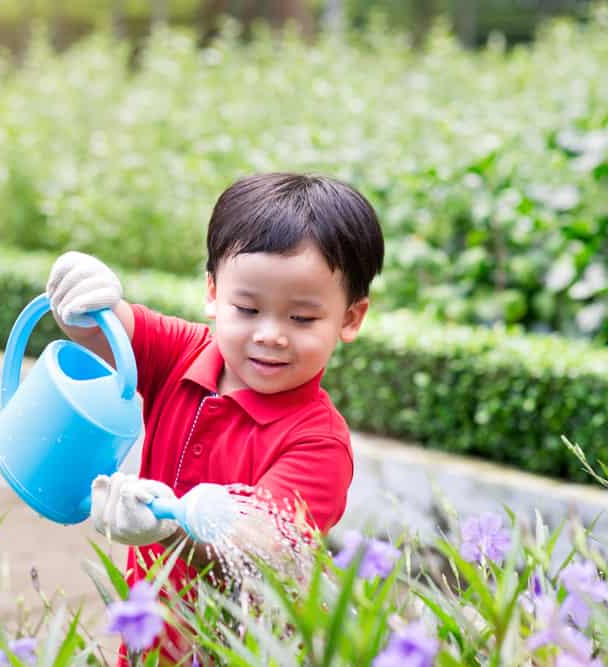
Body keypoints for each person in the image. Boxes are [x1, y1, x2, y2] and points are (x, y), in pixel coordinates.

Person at [46, 172, 384, 663]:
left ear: (350, 318)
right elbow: (104, 331)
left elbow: (256, 548)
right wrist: (79, 296)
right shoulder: (183, 353)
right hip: (146, 647)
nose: (270, 334)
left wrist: (166, 526)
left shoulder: (317, 443)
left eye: (302, 319)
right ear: (212, 293)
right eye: (247, 308)